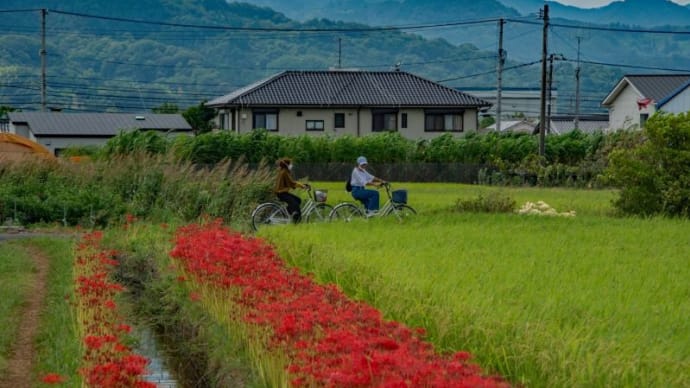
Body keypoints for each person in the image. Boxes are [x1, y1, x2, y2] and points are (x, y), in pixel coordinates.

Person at [274, 157, 309, 223]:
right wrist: (302, 186)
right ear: (287, 165)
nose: (291, 165)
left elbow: (291, 182)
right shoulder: (284, 172)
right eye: (290, 164)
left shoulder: (283, 171)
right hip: (282, 193)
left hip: (281, 193)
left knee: (298, 200)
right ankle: (296, 220)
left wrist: (302, 185)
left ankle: (291, 213)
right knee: (295, 203)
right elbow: (292, 183)